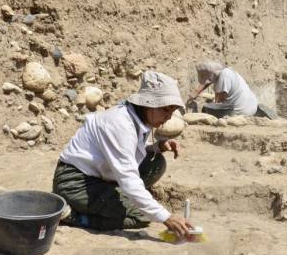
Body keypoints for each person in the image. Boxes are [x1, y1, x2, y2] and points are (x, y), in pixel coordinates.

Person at [52, 71, 193, 238]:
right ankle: (72, 216)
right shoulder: (119, 124)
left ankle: (114, 200)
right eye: (165, 109)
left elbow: (127, 149)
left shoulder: (138, 118)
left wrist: (156, 147)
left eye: (172, 111)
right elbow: (128, 178)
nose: (168, 117)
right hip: (75, 183)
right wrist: (167, 218)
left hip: (98, 177)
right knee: (141, 216)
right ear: (149, 104)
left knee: (156, 162)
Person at [188, 60, 276, 119]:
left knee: (206, 108)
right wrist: (195, 93)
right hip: (253, 105)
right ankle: (257, 112)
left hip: (238, 111)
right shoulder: (228, 71)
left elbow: (220, 100)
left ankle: (242, 115)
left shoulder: (223, 77)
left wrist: (210, 100)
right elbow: (208, 81)